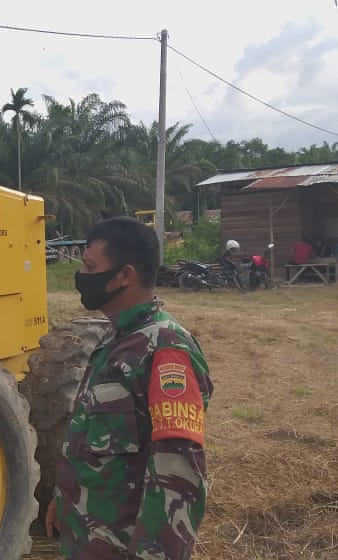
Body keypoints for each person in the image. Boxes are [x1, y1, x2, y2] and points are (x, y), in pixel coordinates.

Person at [45, 216, 213, 559]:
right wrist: (65, 501)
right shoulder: (115, 339)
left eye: (91, 268)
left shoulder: (166, 349)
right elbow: (94, 438)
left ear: (125, 275)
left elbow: (177, 473)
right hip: (88, 536)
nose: (82, 278)